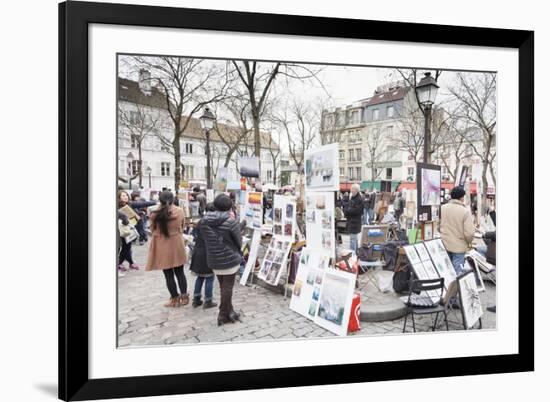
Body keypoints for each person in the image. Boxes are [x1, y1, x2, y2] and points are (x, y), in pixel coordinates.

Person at [201, 194, 243, 326]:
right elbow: (239, 242)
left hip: (214, 258)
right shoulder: (231, 222)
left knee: (223, 286)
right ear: (229, 207)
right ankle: (222, 314)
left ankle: (230, 311)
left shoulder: (203, 221)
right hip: (229, 259)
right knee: (227, 287)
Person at [145, 191, 189, 308]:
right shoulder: (179, 211)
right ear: (173, 199)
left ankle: (174, 299)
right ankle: (184, 297)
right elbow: (182, 226)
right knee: (180, 272)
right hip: (176, 243)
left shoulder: (154, 213)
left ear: (160, 200)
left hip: (161, 244)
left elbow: (152, 229)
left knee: (168, 274)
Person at [440, 186, 476, 275]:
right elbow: (469, 233)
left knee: (446, 271)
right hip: (459, 246)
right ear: (461, 197)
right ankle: (456, 288)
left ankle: (446, 288)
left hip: (444, 244)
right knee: (457, 273)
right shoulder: (465, 211)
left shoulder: (442, 208)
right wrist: (469, 242)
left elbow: (438, 225)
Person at [117, 190, 156, 272]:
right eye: (123, 196)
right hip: (121, 230)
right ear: (119, 197)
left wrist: (154, 202)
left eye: (126, 195)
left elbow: (142, 204)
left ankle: (129, 263)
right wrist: (122, 217)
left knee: (127, 247)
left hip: (129, 230)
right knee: (125, 248)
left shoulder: (130, 204)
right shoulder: (117, 206)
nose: (125, 197)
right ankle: (120, 263)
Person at [189, 203, 218, 309]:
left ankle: (196, 300)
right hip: (208, 253)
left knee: (200, 277)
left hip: (198, 251)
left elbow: (195, 235)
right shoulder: (214, 223)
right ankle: (208, 301)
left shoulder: (200, 222)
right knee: (210, 277)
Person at [343, 184, 364, 253]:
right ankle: (356, 253)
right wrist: (347, 210)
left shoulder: (359, 199)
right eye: (351, 189)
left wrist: (347, 211)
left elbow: (356, 211)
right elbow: (348, 207)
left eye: (352, 189)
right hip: (352, 222)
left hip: (355, 222)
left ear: (356, 190)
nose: (351, 191)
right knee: (354, 239)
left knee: (353, 239)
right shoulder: (353, 198)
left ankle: (352, 255)